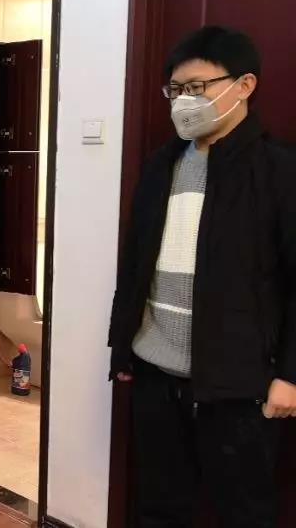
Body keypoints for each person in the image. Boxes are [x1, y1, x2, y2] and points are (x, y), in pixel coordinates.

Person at [108, 26, 296, 527]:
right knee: (160, 506)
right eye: (176, 90)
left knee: (244, 511)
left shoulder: (278, 170)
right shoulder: (161, 164)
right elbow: (135, 263)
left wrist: (290, 375)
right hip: (154, 373)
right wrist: (123, 346)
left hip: (239, 385)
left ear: (245, 85)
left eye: (197, 87)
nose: (184, 101)